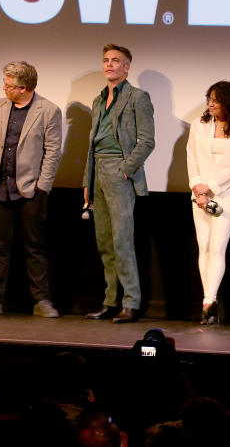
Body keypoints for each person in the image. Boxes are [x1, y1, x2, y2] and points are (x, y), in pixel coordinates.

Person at [0, 61, 62, 317]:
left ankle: (41, 301)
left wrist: (42, 186)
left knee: (34, 247)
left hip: (30, 190)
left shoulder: (48, 110)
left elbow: (53, 152)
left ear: (24, 88)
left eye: (9, 85)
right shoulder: (0, 106)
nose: (5, 88)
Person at [82, 44, 155, 324]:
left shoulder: (138, 97)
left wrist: (126, 169)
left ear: (126, 67)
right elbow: (92, 144)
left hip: (118, 170)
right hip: (98, 171)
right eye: (105, 60)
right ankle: (110, 301)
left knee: (122, 240)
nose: (109, 65)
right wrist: (87, 179)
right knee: (104, 242)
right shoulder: (98, 100)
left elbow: (147, 140)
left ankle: (131, 303)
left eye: (115, 61)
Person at [186, 81, 230, 325]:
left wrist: (210, 186)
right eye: (209, 98)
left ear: (229, 102)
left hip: (226, 195)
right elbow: (191, 157)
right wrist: (198, 187)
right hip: (199, 195)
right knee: (203, 247)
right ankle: (209, 302)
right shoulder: (199, 126)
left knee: (217, 248)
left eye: (216, 99)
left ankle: (209, 301)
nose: (211, 103)